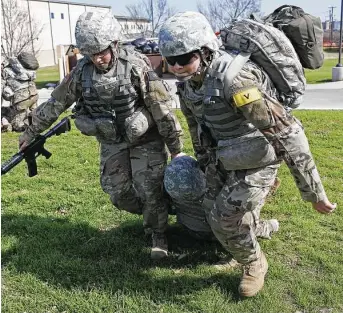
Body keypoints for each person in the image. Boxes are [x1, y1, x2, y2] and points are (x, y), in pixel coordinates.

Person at [158, 11, 336, 297]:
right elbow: (198, 127)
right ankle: (259, 225)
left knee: (223, 218)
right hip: (225, 155)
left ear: (204, 51)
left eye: (184, 58)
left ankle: (255, 263)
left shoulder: (236, 81)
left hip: (259, 157)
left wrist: (314, 194)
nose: (177, 66)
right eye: (171, 60)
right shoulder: (190, 85)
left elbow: (288, 134)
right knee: (209, 208)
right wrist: (205, 164)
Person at [18, 11, 183, 260]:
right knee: (118, 193)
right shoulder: (81, 73)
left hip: (144, 138)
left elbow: (161, 109)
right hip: (111, 140)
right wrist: (30, 132)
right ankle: (164, 208)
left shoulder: (135, 66)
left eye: (102, 52)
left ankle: (158, 233)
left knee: (148, 187)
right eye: (91, 54)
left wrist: (176, 147)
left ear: (114, 44)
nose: (98, 59)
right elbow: (56, 103)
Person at [1, 52, 39, 132]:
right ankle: (35, 122)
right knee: (34, 115)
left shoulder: (6, 71)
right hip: (34, 94)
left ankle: (7, 126)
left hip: (21, 99)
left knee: (17, 125)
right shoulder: (22, 69)